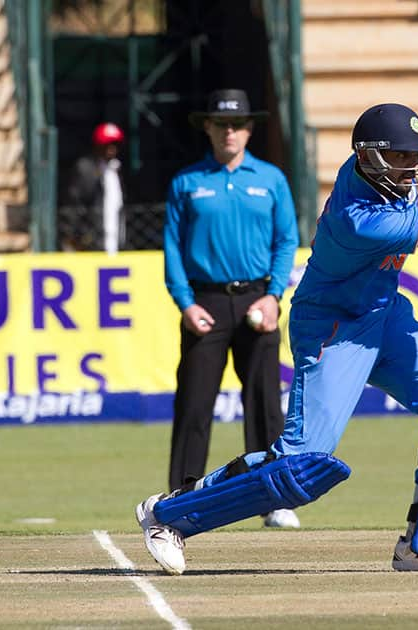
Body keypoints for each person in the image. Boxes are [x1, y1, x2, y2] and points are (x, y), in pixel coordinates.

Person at [135, 83, 418, 575]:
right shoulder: (358, 218)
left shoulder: (378, 160)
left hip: (384, 315)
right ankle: (168, 514)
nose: (414, 167)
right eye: (403, 160)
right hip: (334, 329)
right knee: (301, 465)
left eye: (415, 157)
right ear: (372, 159)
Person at [162, 88, 301, 529]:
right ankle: (181, 498)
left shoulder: (271, 179)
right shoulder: (187, 182)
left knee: (263, 403)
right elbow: (172, 249)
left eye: (237, 124)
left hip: (257, 299)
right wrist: (185, 302)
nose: (230, 132)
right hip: (204, 301)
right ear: (207, 126)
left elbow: (286, 242)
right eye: (221, 124)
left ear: (249, 129)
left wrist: (274, 294)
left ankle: (273, 498)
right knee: (195, 403)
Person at [61, 122, 126, 253]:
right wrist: (80, 236)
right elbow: (74, 203)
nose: (111, 148)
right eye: (106, 144)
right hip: (92, 244)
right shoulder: (86, 168)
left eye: (115, 144)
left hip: (116, 243)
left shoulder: (117, 169)